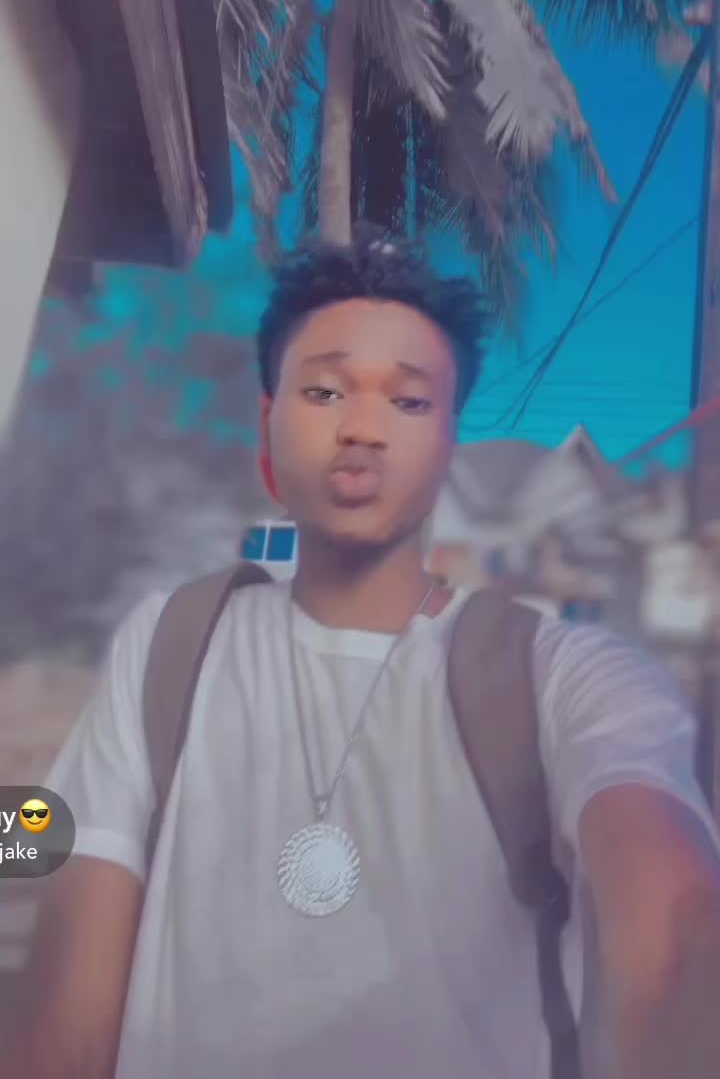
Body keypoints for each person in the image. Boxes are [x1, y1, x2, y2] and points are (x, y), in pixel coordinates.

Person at [10, 231, 720, 1079]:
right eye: (323, 390)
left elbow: (670, 916)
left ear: (448, 444)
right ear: (268, 430)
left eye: (410, 402)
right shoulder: (169, 645)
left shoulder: (564, 676)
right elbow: (67, 1022)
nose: (362, 429)